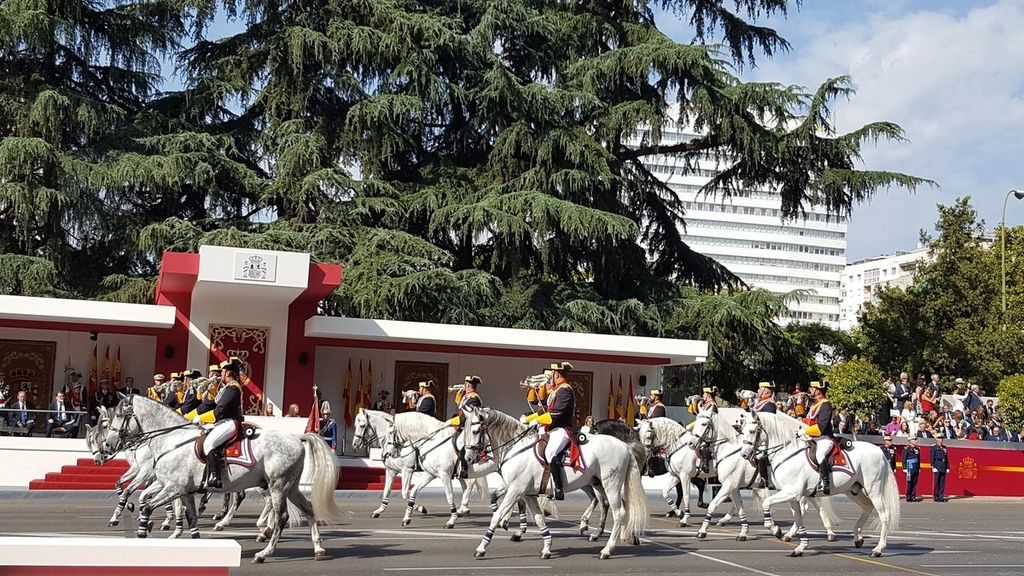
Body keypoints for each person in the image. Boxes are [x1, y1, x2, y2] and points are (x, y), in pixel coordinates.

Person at [524, 361, 576, 500]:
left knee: (550, 452)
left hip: (562, 429)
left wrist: (537, 421)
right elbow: (546, 410)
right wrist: (530, 419)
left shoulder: (565, 390)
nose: (550, 377)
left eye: (552, 374)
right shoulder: (557, 390)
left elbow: (556, 413)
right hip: (553, 429)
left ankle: (558, 487)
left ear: (556, 374)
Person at [193, 358, 244, 490]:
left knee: (209, 443)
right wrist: (192, 415)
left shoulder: (232, 388)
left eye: (222, 372)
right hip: (223, 422)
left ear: (227, 373)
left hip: (230, 422)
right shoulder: (226, 388)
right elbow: (213, 404)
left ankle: (216, 476)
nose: (220, 374)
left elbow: (219, 411)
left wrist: (201, 418)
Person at [801, 380, 835, 495]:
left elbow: (822, 427)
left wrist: (805, 430)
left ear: (817, 390)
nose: (810, 390)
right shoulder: (814, 405)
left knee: (820, 455)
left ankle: (826, 483)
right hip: (812, 437)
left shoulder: (826, 404)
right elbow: (808, 421)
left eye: (812, 388)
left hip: (824, 438)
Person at [449, 375, 483, 478]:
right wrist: (459, 394)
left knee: (459, 442)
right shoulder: (467, 396)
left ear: (468, 385)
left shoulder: (474, 398)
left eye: (465, 384)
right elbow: (459, 405)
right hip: (462, 423)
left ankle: (464, 468)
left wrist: (453, 421)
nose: (464, 386)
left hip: (468, 425)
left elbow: (466, 415)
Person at [751, 381, 776, 488]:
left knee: (760, 453)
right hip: (755, 434)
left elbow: (768, 423)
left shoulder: (769, 405)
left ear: (766, 391)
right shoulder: (760, 404)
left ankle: (764, 478)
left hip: (765, 435)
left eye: (760, 389)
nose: (758, 391)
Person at [697, 385, 719, 474]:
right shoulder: (707, 405)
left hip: (710, 429)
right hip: (704, 427)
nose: (703, 396)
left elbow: (710, 418)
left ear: (708, 395)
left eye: (704, 394)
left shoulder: (712, 405)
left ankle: (706, 464)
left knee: (704, 444)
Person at [930, 433, 949, 502]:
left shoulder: (944, 447)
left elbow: (946, 457)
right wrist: (933, 466)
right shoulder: (933, 447)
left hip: (943, 465)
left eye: (942, 438)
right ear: (936, 439)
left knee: (942, 482)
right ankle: (936, 496)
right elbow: (932, 457)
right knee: (936, 482)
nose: (941, 440)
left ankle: (941, 496)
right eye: (939, 438)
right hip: (937, 464)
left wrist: (947, 467)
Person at [903, 436, 921, 502]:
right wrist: (904, 467)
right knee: (909, 482)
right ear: (910, 441)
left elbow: (919, 459)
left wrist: (919, 467)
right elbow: (904, 458)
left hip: (915, 467)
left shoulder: (917, 449)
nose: (916, 441)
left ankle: (913, 496)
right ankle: (908, 496)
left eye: (916, 440)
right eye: (914, 440)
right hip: (909, 467)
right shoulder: (907, 449)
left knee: (914, 482)